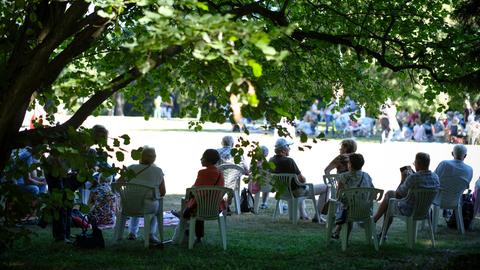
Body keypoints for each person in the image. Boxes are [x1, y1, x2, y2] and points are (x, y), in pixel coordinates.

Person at [374, 152, 439, 239]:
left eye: (415, 163)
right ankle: (380, 230)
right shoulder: (435, 177)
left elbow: (398, 195)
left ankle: (378, 226)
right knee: (390, 195)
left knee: (390, 198)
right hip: (425, 210)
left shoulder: (413, 178)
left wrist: (403, 179)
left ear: (418, 164)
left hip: (409, 210)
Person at [269, 138, 328, 222]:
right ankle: (317, 216)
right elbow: (302, 179)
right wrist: (304, 181)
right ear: (283, 150)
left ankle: (303, 215)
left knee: (300, 186)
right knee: (326, 187)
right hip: (295, 192)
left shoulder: (271, 160)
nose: (290, 148)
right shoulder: (289, 161)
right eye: (288, 146)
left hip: (282, 191)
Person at [120, 147, 166, 244]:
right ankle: (150, 234)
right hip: (147, 207)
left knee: (136, 200)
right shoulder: (158, 171)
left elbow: (118, 183)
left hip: (127, 205)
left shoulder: (130, 168)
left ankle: (132, 233)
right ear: (154, 158)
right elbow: (162, 192)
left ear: (139, 157)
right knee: (154, 205)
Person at [185, 149, 225, 244]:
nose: (200, 159)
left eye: (202, 157)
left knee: (193, 204)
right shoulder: (220, 173)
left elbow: (195, 190)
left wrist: (190, 193)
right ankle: (198, 237)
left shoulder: (203, 173)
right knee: (200, 202)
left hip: (200, 208)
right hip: (216, 208)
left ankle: (187, 227)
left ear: (207, 159)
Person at [331, 153, 374, 239]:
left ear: (350, 164)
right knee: (349, 207)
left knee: (345, 207)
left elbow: (338, 195)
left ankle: (338, 234)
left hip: (349, 211)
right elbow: (372, 191)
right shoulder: (367, 176)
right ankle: (337, 232)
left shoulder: (343, 176)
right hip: (365, 210)